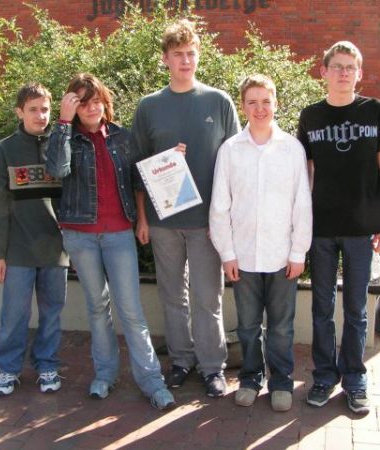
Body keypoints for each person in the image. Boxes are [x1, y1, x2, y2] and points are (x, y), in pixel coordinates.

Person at [45, 73, 174, 411]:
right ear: (74, 106)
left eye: (96, 101)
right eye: (83, 103)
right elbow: (57, 169)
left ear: (106, 102)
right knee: (98, 307)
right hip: (80, 236)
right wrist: (62, 120)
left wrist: (142, 219)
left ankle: (151, 380)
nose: (91, 108)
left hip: (119, 235)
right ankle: (104, 374)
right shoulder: (66, 138)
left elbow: (138, 180)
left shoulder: (122, 137)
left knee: (130, 310)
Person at [131, 19, 241, 397]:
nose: (185, 60)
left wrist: (231, 220)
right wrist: (143, 218)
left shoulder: (218, 101)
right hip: (163, 223)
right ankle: (181, 360)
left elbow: (237, 161)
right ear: (165, 59)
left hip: (209, 222)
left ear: (199, 55)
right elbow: (138, 166)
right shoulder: (149, 107)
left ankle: (213, 367)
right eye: (177, 54)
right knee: (172, 295)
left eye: (191, 53)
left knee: (208, 297)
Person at [297, 41, 380, 414]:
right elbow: (306, 173)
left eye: (349, 67)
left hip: (360, 227)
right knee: (321, 306)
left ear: (359, 73)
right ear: (323, 72)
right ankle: (324, 376)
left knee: (356, 308)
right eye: (336, 66)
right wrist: (300, 225)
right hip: (321, 227)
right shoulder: (311, 116)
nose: (342, 73)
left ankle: (354, 378)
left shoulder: (375, 111)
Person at [209, 75, 312, 412]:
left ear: (276, 104)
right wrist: (227, 253)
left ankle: (281, 380)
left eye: (266, 101)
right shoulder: (230, 150)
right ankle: (252, 377)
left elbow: (302, 204)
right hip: (245, 258)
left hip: (283, 257)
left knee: (281, 327)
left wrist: (299, 252)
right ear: (243, 106)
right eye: (252, 102)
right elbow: (219, 206)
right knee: (250, 326)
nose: (259, 108)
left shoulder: (292, 149)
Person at [0, 82, 69, 396]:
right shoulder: (5, 149)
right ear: (19, 112)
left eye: (45, 109)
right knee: (14, 314)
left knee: (52, 312)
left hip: (55, 248)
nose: (40, 115)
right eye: (33, 109)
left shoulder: (62, 145)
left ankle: (47, 364)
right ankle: (8, 369)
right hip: (18, 249)